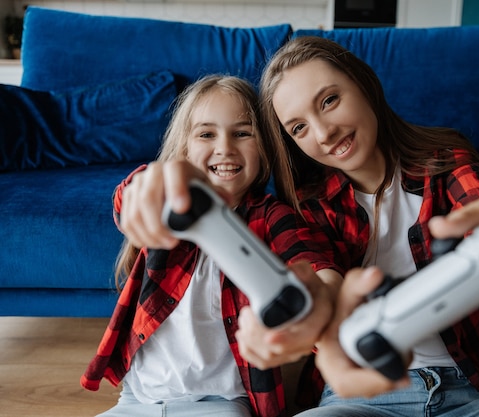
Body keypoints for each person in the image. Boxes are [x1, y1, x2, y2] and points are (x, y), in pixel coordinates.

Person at [236, 36, 479, 416]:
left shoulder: (447, 158)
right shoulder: (307, 205)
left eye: (329, 101)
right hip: (356, 397)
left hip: (466, 390)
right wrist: (304, 314)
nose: (323, 133)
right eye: (299, 128)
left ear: (364, 86)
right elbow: (323, 282)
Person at [80, 74, 343, 417]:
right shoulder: (169, 205)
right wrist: (152, 182)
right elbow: (131, 198)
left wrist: (321, 298)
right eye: (207, 134)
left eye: (242, 133)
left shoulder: (271, 217)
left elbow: (313, 264)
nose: (225, 148)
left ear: (263, 148)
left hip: (221, 403)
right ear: (185, 149)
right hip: (137, 399)